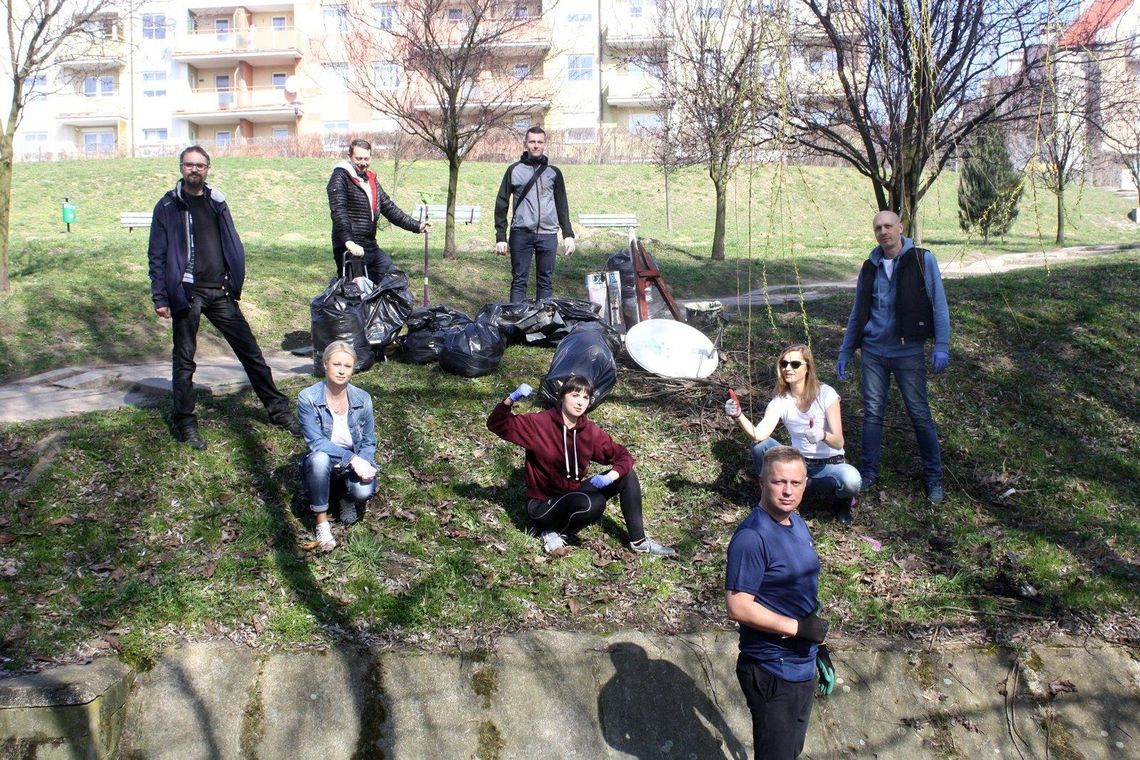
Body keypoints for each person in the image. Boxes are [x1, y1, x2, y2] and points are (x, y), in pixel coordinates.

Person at [147, 145, 301, 450]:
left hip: (219, 291)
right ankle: (185, 423)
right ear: (181, 167)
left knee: (251, 353)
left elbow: (231, 240)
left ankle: (279, 412)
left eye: (200, 165)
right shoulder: (167, 207)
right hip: (186, 293)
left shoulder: (217, 202)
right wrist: (160, 297)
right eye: (189, 164)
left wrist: (233, 279)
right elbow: (157, 254)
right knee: (184, 360)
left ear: (208, 168)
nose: (194, 169)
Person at [486, 376, 674, 556]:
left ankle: (639, 542)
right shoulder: (539, 423)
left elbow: (623, 456)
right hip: (543, 505)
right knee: (593, 504)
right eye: (575, 395)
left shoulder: (589, 431)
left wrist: (611, 477)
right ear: (562, 397)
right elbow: (496, 424)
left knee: (627, 476)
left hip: (572, 494)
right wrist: (510, 399)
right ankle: (548, 530)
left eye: (585, 397)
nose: (580, 402)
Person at [836, 210, 951, 503]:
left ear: (901, 227)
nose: (883, 231)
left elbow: (939, 304)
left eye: (888, 225)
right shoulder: (869, 266)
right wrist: (846, 350)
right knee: (873, 413)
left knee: (919, 414)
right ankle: (869, 473)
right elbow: (857, 312)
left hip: (908, 351)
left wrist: (942, 345)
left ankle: (934, 477)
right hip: (873, 352)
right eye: (878, 228)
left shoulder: (922, 260)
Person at [726, 446, 828, 759]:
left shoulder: (796, 523)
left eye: (795, 483)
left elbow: (799, 592)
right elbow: (738, 606)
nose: (787, 491)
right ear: (761, 482)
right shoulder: (752, 537)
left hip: (802, 665)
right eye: (778, 482)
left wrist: (817, 648)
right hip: (771, 669)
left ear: (805, 484)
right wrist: (798, 628)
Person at [725, 344, 861, 525]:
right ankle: (770, 496)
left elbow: (838, 442)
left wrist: (822, 435)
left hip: (829, 466)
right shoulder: (781, 400)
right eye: (784, 364)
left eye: (795, 364)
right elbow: (758, 434)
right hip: (798, 463)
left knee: (851, 480)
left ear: (808, 368)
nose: (788, 368)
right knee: (760, 445)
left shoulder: (826, 394)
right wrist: (738, 415)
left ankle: (841, 503)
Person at [297, 340, 379, 551]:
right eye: (336, 365)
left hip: (352, 462)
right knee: (318, 459)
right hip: (326, 461)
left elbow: (369, 440)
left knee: (362, 492)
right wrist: (351, 459)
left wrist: (363, 462)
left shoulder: (363, 398)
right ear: (325, 364)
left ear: (353, 369)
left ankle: (346, 496)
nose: (341, 371)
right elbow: (315, 442)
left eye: (347, 366)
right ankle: (322, 521)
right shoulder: (308, 398)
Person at [326, 138, 430, 283]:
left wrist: (416, 225)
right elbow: (338, 211)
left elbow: (388, 207)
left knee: (393, 280)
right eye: (359, 158)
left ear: (371, 157)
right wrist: (348, 241)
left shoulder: (370, 179)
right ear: (349, 157)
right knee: (357, 294)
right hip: (350, 248)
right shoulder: (340, 177)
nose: (363, 163)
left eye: (366, 158)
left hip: (370, 245)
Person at [493, 126, 575, 303]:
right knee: (519, 282)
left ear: (545, 144)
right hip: (521, 234)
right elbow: (501, 203)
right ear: (525, 144)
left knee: (545, 282)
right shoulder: (514, 170)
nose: (536, 145)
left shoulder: (554, 173)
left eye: (540, 142)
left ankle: (543, 326)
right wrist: (501, 237)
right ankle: (516, 325)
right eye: (532, 142)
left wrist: (568, 234)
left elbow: (562, 204)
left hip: (548, 235)